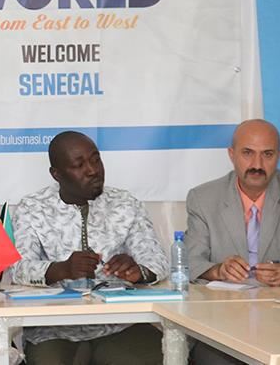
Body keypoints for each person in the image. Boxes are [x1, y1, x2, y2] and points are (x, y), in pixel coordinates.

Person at [11, 131, 167, 365]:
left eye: (96, 159)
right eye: (79, 165)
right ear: (56, 174)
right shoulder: (32, 208)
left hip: (119, 323)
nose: (93, 170)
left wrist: (139, 271)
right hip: (53, 328)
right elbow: (19, 269)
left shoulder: (125, 204)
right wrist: (62, 269)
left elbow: (158, 261)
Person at [186, 119, 280, 286]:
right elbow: (190, 261)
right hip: (225, 299)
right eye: (248, 153)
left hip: (279, 300)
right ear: (231, 154)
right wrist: (218, 271)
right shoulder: (203, 199)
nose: (257, 164)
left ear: (278, 156)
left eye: (267, 154)